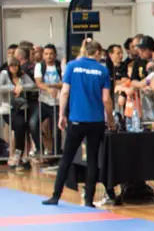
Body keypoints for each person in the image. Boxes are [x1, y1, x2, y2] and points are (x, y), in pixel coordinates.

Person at [42, 40, 113, 207]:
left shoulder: (72, 66)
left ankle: (55, 196)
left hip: (77, 120)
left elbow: (65, 92)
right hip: (96, 121)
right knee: (93, 160)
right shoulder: (103, 70)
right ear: (97, 53)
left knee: (66, 158)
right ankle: (89, 199)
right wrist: (110, 119)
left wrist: (61, 115)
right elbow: (106, 99)